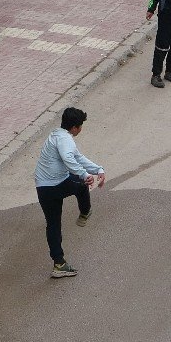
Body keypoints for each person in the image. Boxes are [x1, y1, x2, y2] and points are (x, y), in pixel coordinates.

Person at [34, 107, 106, 278]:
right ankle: (85, 211)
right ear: (75, 127)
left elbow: (77, 157)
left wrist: (97, 169)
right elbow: (69, 158)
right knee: (81, 185)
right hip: (56, 184)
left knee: (53, 224)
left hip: (43, 187)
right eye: (80, 126)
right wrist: (86, 175)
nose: (81, 129)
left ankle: (59, 264)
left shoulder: (56, 135)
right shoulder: (66, 140)